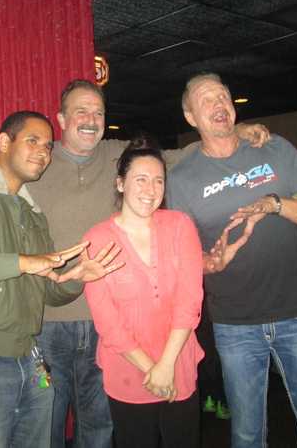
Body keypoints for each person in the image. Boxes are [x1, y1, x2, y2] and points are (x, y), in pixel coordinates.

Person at [0, 79, 269, 447]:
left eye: (98, 112)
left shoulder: (117, 154)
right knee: (46, 425)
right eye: (80, 111)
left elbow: (178, 157)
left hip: (109, 327)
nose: (90, 119)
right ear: (61, 119)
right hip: (50, 319)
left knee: (100, 428)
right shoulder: (38, 158)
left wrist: (233, 131)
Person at [0, 110, 124, 448]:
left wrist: (75, 277)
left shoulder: (31, 213)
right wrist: (23, 262)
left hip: (29, 358)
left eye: (47, 145)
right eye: (32, 141)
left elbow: (44, 288)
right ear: (3, 141)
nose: (43, 152)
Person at [166, 72, 297, 448]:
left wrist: (277, 204)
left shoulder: (274, 149)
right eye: (205, 100)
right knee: (247, 436)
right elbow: (180, 256)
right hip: (235, 324)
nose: (217, 104)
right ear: (190, 117)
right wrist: (207, 262)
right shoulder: (180, 178)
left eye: (222, 96)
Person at [83, 137, 205, 448]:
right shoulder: (97, 239)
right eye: (141, 179)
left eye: (158, 180)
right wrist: (152, 370)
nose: (151, 190)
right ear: (120, 184)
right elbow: (107, 322)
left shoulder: (180, 225)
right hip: (127, 370)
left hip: (178, 362)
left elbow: (189, 301)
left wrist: (166, 366)